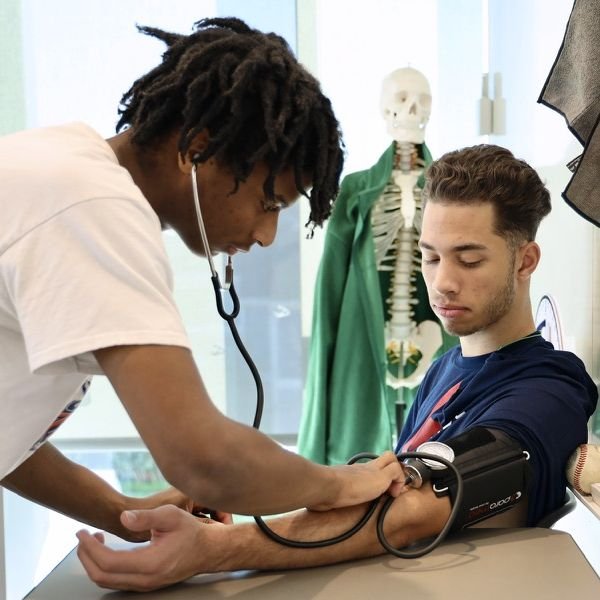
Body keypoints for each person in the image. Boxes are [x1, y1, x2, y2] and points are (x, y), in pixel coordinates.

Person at [76, 144, 597, 591]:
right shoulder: (444, 369)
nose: (442, 283)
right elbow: (388, 491)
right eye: (431, 257)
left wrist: (216, 549)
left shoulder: (550, 386)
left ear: (525, 261)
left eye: (469, 258)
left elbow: (417, 510)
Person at [0, 17, 406, 545]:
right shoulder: (90, 205)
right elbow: (203, 458)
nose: (265, 235)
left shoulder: (63, 172)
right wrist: (335, 483)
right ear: (197, 147)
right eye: (268, 202)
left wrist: (123, 511)